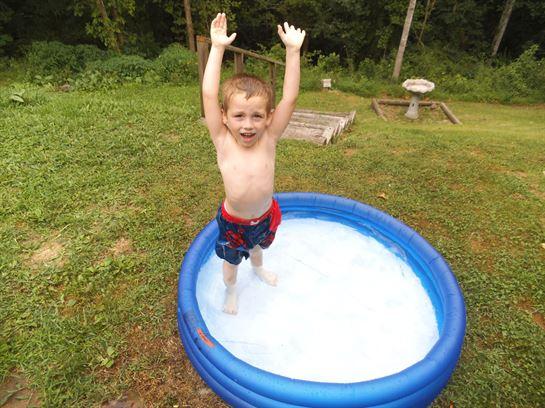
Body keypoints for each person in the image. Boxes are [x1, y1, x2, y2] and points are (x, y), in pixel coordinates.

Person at [202, 13, 305, 314]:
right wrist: (217, 48)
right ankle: (231, 291)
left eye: (257, 116)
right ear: (224, 116)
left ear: (269, 118)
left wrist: (293, 52)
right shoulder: (223, 141)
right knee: (231, 264)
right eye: (239, 116)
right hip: (234, 223)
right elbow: (208, 94)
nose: (248, 125)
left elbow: (289, 99)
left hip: (263, 217)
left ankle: (258, 269)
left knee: (258, 249)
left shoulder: (269, 138)